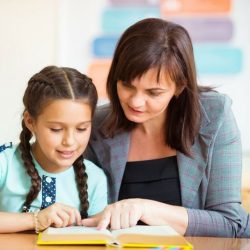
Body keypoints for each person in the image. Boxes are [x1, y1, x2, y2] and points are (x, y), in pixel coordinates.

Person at [83, 18, 250, 237]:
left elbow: (232, 223)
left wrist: (145, 208)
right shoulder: (95, 124)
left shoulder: (215, 115)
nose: (135, 102)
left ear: (179, 86)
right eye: (127, 85)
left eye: (153, 92)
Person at [0, 66, 107, 233]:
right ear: (30, 121)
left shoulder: (95, 178)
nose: (70, 141)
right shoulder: (4, 163)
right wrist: (36, 219)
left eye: (81, 129)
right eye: (56, 129)